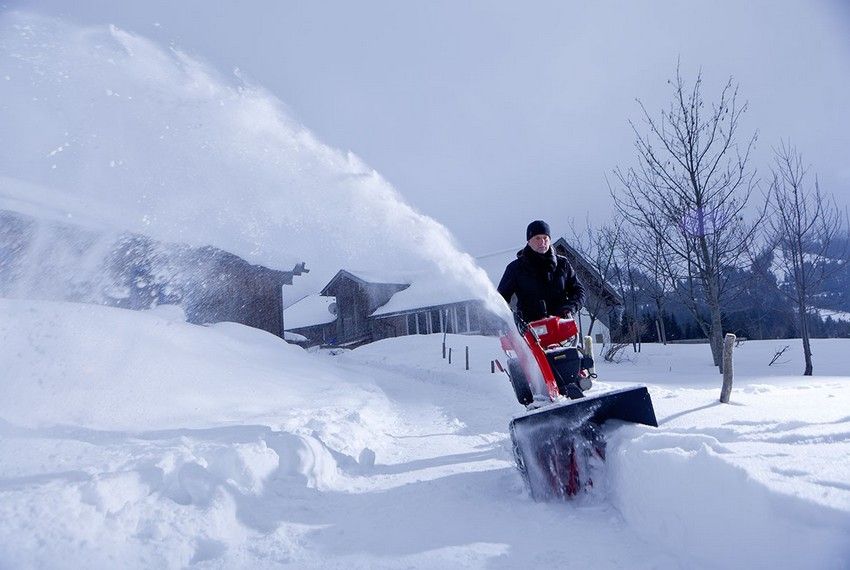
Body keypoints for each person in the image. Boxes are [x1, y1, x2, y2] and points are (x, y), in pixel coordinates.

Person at [497, 220, 585, 322]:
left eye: (545, 238)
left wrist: (569, 308)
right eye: (537, 238)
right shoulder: (516, 268)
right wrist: (513, 319)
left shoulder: (562, 264)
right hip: (529, 330)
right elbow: (500, 299)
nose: (542, 242)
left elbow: (579, 292)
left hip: (562, 327)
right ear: (529, 241)